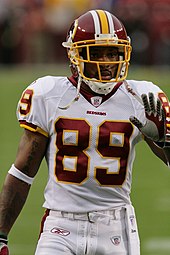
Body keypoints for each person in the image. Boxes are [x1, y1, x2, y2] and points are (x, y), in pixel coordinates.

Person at [0, 9, 170, 255]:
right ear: (74, 55)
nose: (107, 63)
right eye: (97, 53)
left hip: (116, 225)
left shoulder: (142, 98)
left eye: (113, 53)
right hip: (60, 225)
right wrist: (2, 234)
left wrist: (165, 140)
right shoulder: (49, 95)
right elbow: (23, 171)